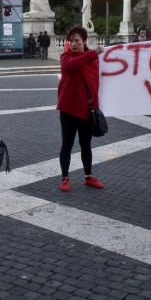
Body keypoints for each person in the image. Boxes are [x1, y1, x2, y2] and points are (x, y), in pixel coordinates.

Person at [57, 26, 104, 191]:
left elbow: (98, 82)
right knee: (67, 145)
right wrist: (93, 53)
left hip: (86, 110)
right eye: (71, 41)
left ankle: (88, 176)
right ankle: (65, 177)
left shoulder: (93, 59)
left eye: (77, 41)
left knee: (86, 145)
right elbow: (74, 64)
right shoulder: (66, 57)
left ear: (84, 41)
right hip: (69, 109)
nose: (73, 44)